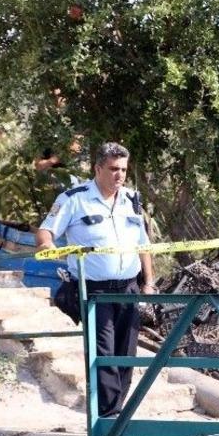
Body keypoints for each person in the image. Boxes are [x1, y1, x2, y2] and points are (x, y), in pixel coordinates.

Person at [35, 142, 155, 418]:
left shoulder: (132, 199)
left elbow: (143, 244)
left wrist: (148, 283)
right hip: (94, 291)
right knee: (103, 353)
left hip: (128, 288)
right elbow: (45, 232)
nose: (119, 175)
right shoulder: (74, 199)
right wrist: (47, 247)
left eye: (123, 169)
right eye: (113, 169)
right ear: (98, 168)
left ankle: (116, 413)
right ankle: (107, 418)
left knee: (126, 354)